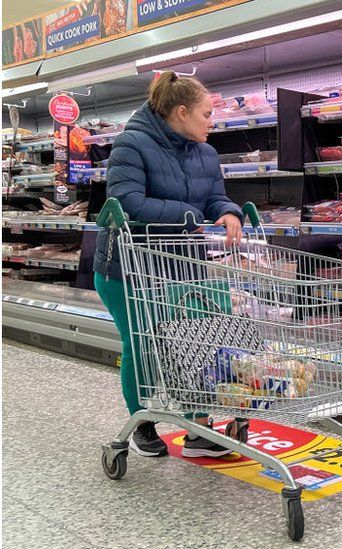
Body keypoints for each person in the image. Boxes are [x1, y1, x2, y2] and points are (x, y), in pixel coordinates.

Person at [93, 71, 244, 458]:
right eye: (207, 114)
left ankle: (199, 429)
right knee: (141, 346)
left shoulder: (206, 152)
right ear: (181, 112)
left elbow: (214, 196)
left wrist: (226, 212)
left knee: (198, 343)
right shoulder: (131, 145)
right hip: (128, 267)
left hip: (182, 263)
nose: (213, 122)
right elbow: (126, 202)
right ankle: (142, 422)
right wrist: (189, 215)